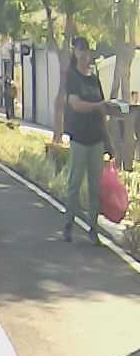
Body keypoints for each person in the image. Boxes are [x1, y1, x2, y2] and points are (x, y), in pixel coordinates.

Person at [63, 36, 118, 244]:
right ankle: (68, 224)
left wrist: (108, 140)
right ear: (74, 53)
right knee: (74, 184)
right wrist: (97, 106)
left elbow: (102, 111)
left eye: (86, 50)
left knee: (95, 187)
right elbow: (75, 104)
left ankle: (93, 228)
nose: (84, 54)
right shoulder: (72, 77)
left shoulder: (94, 79)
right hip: (79, 138)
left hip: (96, 139)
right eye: (79, 50)